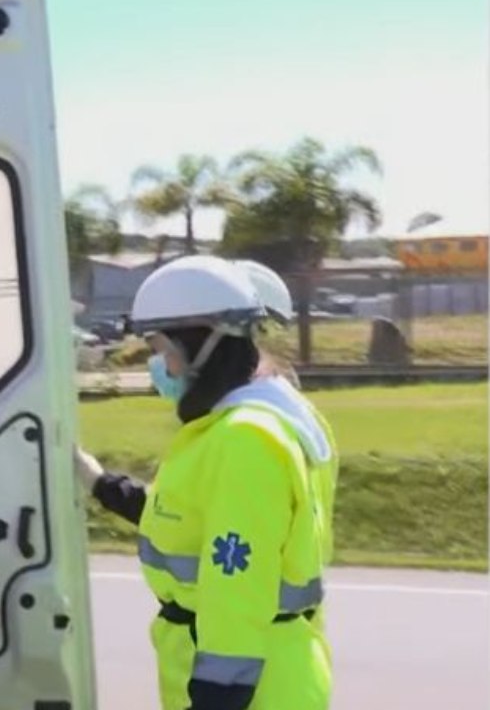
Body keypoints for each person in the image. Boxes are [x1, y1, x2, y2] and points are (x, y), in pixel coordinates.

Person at [75, 255, 338, 710]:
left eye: (162, 349)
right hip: (271, 672)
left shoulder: (244, 441)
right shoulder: (273, 416)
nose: (160, 367)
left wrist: (216, 701)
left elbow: (236, 588)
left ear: (202, 343)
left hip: (251, 691)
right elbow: (188, 521)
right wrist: (99, 483)